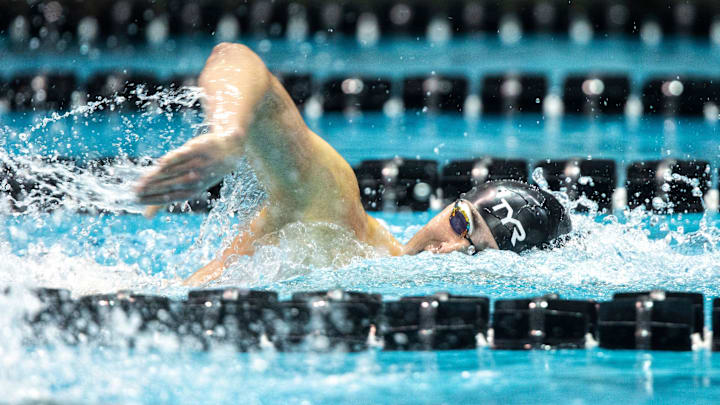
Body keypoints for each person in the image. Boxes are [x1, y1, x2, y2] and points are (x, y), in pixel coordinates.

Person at [135, 43, 571, 286]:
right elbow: (235, 59)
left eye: (478, 254)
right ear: (449, 206)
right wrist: (229, 134)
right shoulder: (339, 223)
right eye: (461, 223)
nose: (451, 247)